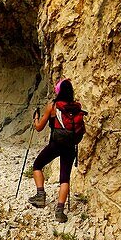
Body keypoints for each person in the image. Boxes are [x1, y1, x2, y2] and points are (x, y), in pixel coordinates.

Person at [29, 78, 84, 223]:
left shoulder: (53, 106)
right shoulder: (75, 107)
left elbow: (39, 127)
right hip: (70, 147)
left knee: (37, 165)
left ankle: (40, 196)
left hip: (55, 144)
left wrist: (35, 119)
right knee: (64, 178)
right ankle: (60, 211)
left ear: (58, 91)